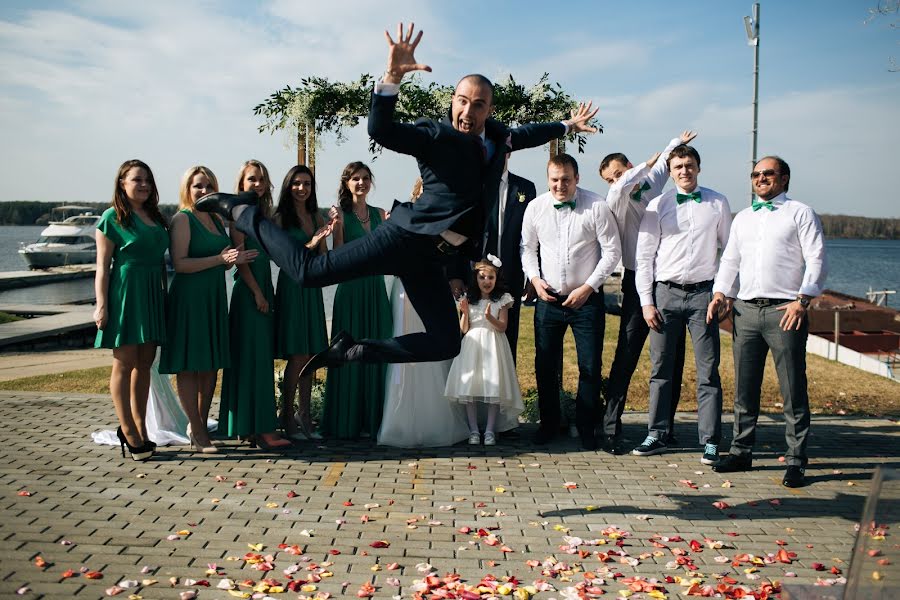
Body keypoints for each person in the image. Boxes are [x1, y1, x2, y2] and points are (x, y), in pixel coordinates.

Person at [197, 22, 598, 371]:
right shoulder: (435, 135)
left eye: (478, 105)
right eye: (462, 102)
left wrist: (567, 123)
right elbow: (381, 130)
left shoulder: (497, 137)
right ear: (452, 101)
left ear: (488, 109)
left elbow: (527, 134)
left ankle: (354, 350)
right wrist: (390, 78)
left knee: (445, 342)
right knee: (309, 273)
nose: (468, 112)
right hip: (404, 237)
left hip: (432, 257)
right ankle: (244, 212)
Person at [710, 156, 827, 488]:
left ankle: (795, 460)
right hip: (745, 312)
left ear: (784, 178)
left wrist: (803, 299)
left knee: (792, 388)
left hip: (785, 313)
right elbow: (730, 259)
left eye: (768, 173)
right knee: (744, 388)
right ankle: (741, 451)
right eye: (755, 174)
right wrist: (721, 293)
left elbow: (816, 257)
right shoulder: (743, 218)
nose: (761, 178)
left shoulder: (800, 213)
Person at [633, 145, 731, 464]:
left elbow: (730, 252)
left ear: (698, 168)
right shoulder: (656, 204)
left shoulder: (717, 202)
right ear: (671, 171)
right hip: (666, 295)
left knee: (708, 370)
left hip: (704, 296)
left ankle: (711, 440)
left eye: (689, 165)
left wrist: (724, 292)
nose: (684, 171)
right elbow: (644, 257)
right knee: (660, 368)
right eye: (678, 166)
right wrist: (647, 302)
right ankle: (657, 433)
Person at [599, 132, 694, 454]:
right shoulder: (615, 198)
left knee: (671, 356)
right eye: (609, 179)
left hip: (665, 281)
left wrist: (672, 144)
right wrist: (643, 164)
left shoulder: (651, 185)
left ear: (626, 165)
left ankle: (664, 428)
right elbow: (628, 182)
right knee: (626, 353)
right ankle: (611, 427)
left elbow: (666, 168)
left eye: (616, 173)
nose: (614, 181)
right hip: (635, 280)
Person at [521, 153, 621, 450]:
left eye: (566, 179)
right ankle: (550, 424)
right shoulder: (536, 207)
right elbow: (527, 248)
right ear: (548, 179)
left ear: (577, 178)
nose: (560, 185)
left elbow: (612, 252)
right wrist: (535, 279)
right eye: (554, 180)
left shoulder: (597, 206)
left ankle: (587, 427)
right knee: (545, 365)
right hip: (548, 299)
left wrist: (589, 287)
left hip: (586, 300)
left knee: (589, 366)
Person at [159, 166, 257, 453]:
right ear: (187, 189)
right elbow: (180, 264)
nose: (203, 191)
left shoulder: (217, 218)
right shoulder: (182, 219)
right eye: (197, 186)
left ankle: (199, 426)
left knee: (210, 365)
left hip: (213, 297)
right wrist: (219, 259)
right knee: (190, 366)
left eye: (208, 186)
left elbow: (222, 257)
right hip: (189, 300)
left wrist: (233, 259)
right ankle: (199, 432)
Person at [378, 180, 470, 448]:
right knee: (405, 343)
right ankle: (400, 422)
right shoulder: (401, 218)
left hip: (434, 286)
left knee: (435, 345)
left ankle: (436, 421)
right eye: (420, 194)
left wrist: (454, 277)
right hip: (404, 291)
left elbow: (456, 252)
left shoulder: (446, 217)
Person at [94, 159, 169, 461]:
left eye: (147, 180)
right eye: (137, 179)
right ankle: (126, 429)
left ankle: (141, 427)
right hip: (125, 291)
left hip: (152, 291)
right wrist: (101, 305)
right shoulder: (112, 217)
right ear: (122, 183)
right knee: (124, 363)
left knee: (145, 363)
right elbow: (101, 267)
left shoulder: (156, 216)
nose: (144, 185)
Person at [219, 160, 291, 450]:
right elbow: (242, 260)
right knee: (251, 361)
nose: (257, 184)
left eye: (261, 179)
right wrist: (259, 295)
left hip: (264, 289)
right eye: (252, 179)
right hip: (249, 294)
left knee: (260, 361)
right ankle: (259, 429)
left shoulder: (265, 216)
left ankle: (252, 426)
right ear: (241, 184)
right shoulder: (238, 216)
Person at [320, 162, 393, 439]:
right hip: (350, 291)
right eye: (355, 179)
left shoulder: (379, 214)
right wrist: (337, 227)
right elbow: (337, 256)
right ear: (346, 183)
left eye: (364, 178)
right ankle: (346, 422)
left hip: (375, 290)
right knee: (348, 354)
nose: (360, 183)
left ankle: (374, 420)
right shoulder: (341, 214)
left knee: (377, 351)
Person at [272, 165, 332, 441]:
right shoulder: (280, 217)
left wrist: (326, 235)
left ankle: (304, 415)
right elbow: (283, 256)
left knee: (311, 354)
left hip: (311, 289)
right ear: (288, 186)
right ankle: (286, 415)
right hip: (291, 287)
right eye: (296, 183)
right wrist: (311, 243)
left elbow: (322, 256)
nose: (302, 188)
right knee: (297, 354)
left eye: (307, 184)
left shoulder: (315, 215)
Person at [445, 256, 524, 445]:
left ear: (496, 279)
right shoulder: (468, 299)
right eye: (482, 278)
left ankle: (489, 430)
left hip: (494, 343)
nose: (486, 282)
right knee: (470, 387)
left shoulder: (502, 299)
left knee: (494, 386)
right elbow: (464, 329)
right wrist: (464, 312)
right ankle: (473, 430)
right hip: (472, 344)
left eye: (490, 278)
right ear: (476, 279)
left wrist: (490, 318)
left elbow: (503, 326)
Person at [480, 156, 537, 360]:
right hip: (477, 275)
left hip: (511, 274)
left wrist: (532, 278)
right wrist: (455, 275)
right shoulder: (472, 184)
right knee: (475, 334)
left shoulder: (525, 188)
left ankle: (506, 387)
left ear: (508, 153)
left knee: (508, 334)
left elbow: (532, 237)